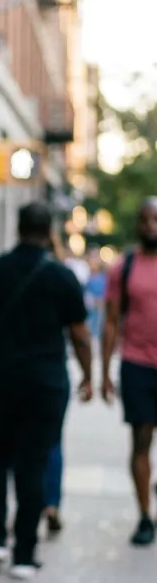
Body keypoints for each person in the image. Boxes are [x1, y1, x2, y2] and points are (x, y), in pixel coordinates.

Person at [0, 202, 92, 580]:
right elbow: (81, 336)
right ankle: (23, 554)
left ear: (17, 228)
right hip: (45, 383)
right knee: (33, 461)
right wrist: (87, 376)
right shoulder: (63, 276)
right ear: (49, 231)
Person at [102, 198, 157, 546]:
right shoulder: (124, 266)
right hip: (137, 364)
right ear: (137, 224)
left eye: (156, 220)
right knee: (140, 442)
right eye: (145, 220)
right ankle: (144, 516)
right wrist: (104, 372)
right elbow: (110, 320)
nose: (151, 226)